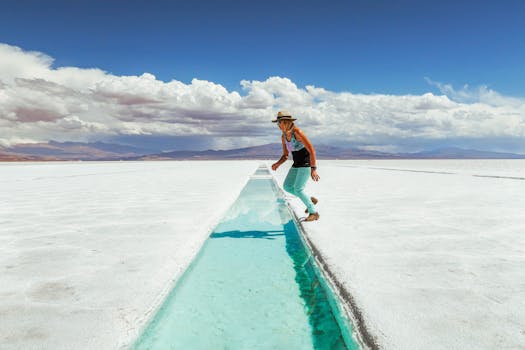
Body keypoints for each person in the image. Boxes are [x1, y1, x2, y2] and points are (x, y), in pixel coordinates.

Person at [271, 111, 320, 221]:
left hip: (306, 164)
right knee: (287, 187)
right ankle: (308, 200)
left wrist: (313, 169)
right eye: (277, 123)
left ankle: (314, 213)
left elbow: (312, 151)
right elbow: (285, 155)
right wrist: (277, 164)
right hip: (296, 164)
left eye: (279, 122)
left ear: (285, 122)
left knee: (298, 189)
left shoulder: (297, 132)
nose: (278, 125)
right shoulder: (283, 137)